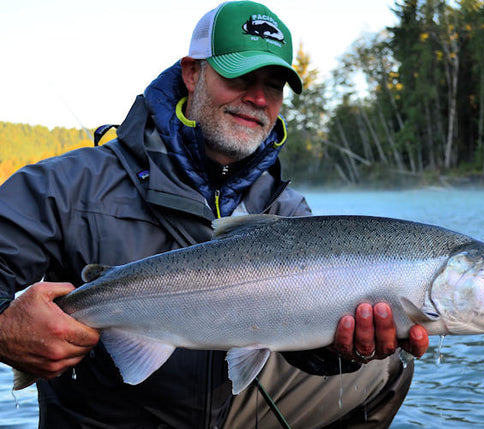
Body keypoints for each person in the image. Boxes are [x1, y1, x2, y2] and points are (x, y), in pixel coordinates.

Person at [0, 1, 428, 428]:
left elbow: (301, 348)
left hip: (230, 410)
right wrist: (4, 329)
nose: (258, 98)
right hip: (109, 418)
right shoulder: (69, 185)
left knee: (386, 370)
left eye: (274, 84)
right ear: (192, 73)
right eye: (239, 76)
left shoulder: (284, 209)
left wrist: (343, 350)